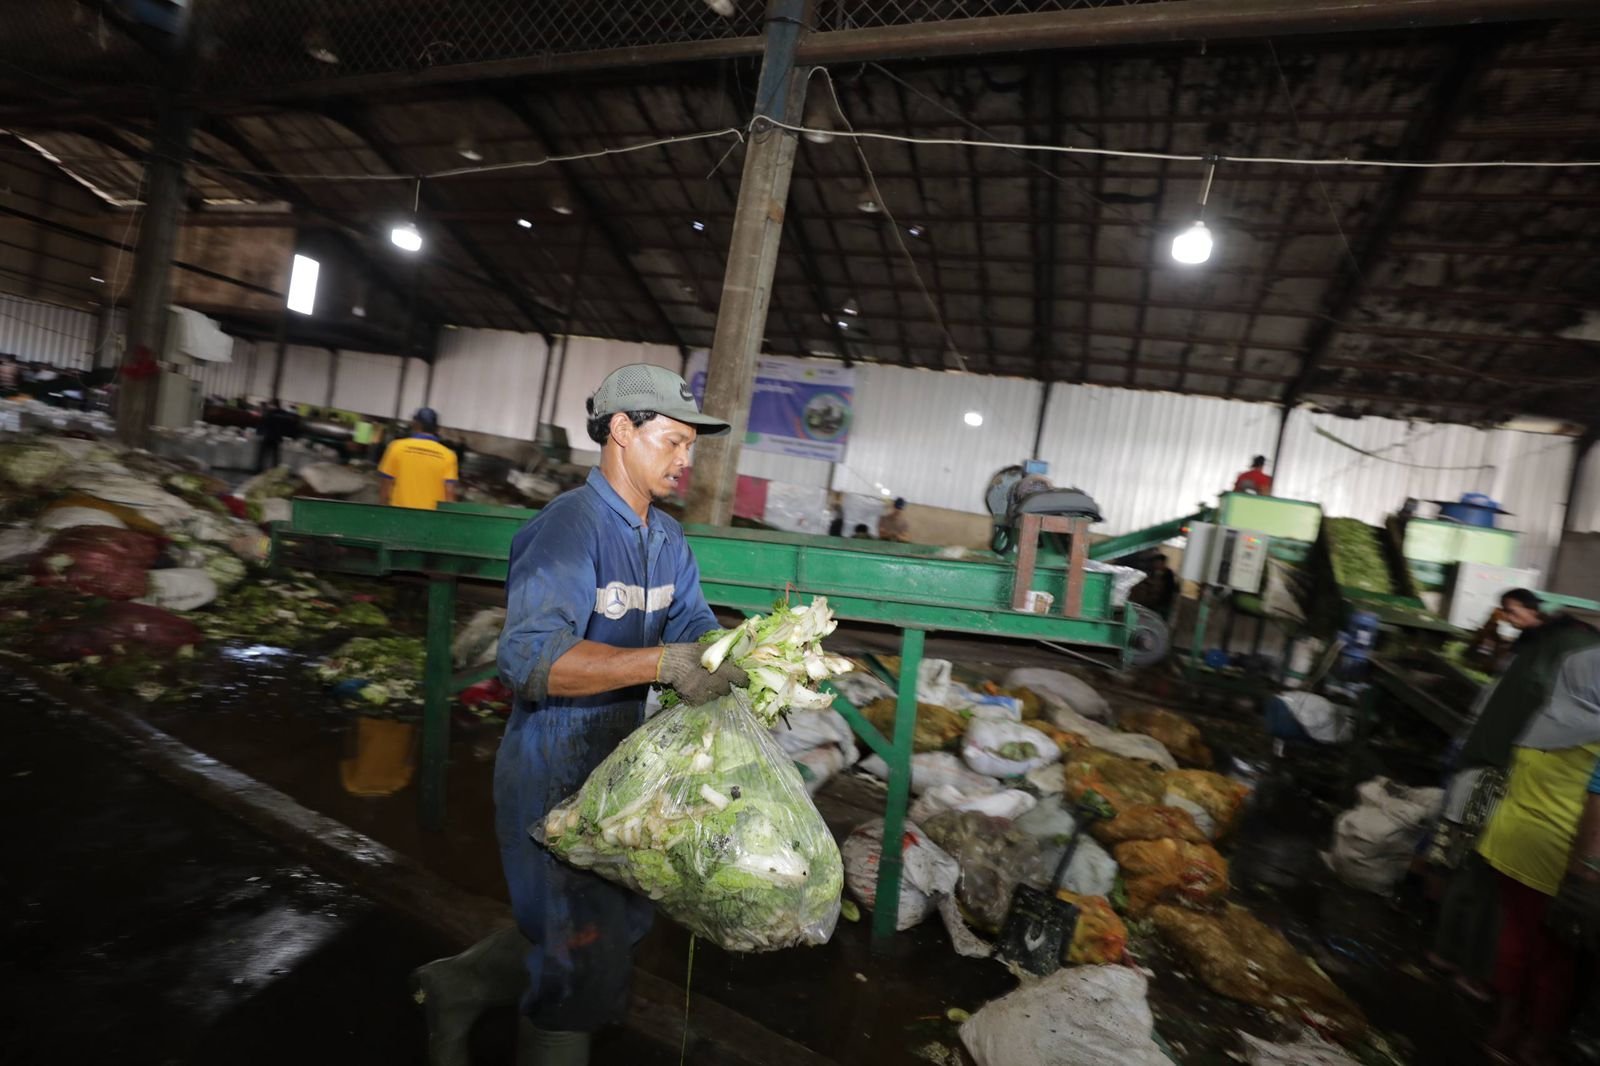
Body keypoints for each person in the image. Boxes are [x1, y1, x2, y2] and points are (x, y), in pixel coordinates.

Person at [411, 365, 745, 1066]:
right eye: (675, 442)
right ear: (622, 431)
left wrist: (748, 656)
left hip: (623, 770)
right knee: (581, 964)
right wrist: (661, 665)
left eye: (690, 446)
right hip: (553, 770)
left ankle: (459, 984)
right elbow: (529, 659)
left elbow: (693, 628)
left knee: (608, 927)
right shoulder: (569, 527)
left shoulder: (668, 539)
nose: (686, 461)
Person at [1427, 590, 1593, 1002]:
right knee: (1504, 900)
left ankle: (1447, 953)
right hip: (1514, 798)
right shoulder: (1572, 681)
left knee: (1474, 867)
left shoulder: (1552, 651)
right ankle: (1480, 976)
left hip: (1494, 779)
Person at [1477, 633, 1600, 1065]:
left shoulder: (1544, 721)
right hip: (1558, 852)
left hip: (1510, 840)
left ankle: (1503, 1026)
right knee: (1556, 958)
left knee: (1516, 936)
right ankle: (1535, 1043)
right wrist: (1587, 865)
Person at [377, 408, 459, 510]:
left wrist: (381, 510)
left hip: (399, 516)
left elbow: (385, 485)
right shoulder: (448, 455)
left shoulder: (396, 447)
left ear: (415, 424)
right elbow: (449, 492)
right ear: (437, 428)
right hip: (430, 519)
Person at [255, 398, 299, 472]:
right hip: (277, 437)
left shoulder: (268, 413)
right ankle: (275, 471)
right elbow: (292, 422)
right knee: (275, 457)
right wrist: (293, 436)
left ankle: (259, 471)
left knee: (262, 455)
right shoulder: (283, 413)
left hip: (268, 436)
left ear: (272, 405)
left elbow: (262, 423)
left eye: (270, 404)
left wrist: (259, 432)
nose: (269, 406)